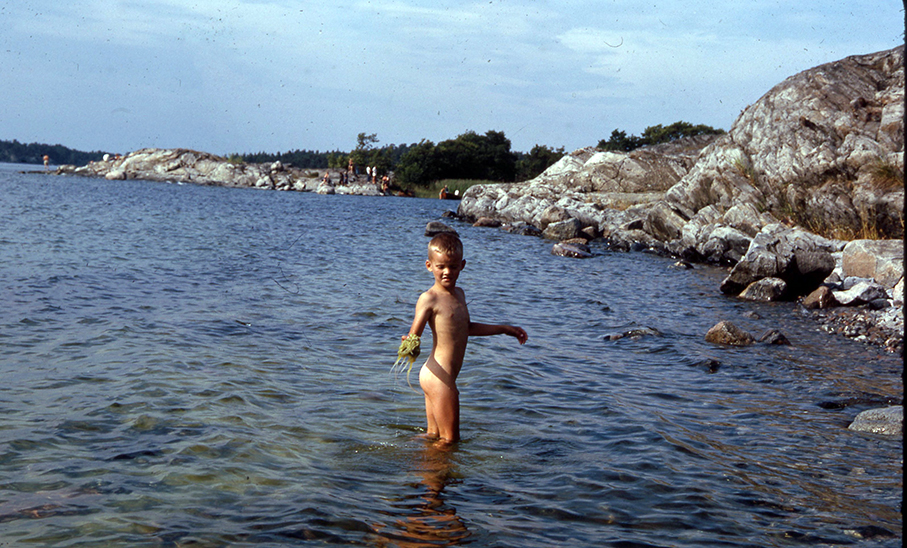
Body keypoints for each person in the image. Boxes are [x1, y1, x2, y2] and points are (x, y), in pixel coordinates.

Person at [403, 232, 527, 444]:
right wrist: (408, 343)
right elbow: (415, 334)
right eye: (441, 266)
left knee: (433, 436)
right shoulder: (429, 298)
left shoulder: (459, 294)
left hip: (438, 375)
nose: (447, 272)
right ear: (429, 266)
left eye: (453, 266)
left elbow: (465, 328)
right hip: (438, 376)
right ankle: (423, 465)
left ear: (462, 265)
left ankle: (409, 460)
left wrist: (504, 329)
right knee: (450, 441)